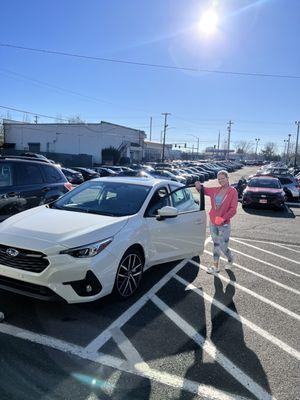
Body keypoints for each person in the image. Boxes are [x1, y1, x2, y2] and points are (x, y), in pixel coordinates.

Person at [195, 170, 238, 274]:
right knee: (216, 244)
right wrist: (198, 185)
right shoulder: (215, 190)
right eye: (219, 179)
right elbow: (203, 190)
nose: (220, 181)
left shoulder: (232, 191)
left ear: (227, 178)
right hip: (213, 222)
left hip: (224, 224)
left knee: (223, 246)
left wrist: (223, 218)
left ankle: (231, 257)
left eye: (223, 178)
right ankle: (215, 267)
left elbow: (233, 209)